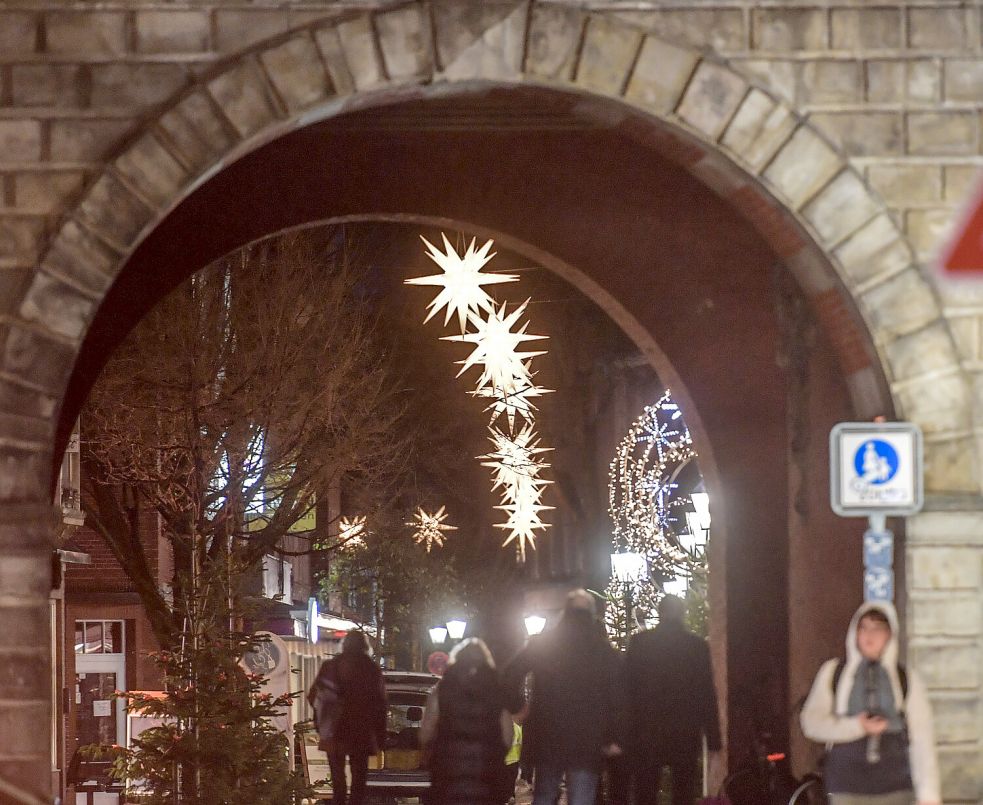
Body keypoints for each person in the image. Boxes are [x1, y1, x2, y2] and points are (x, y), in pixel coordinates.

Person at [800, 602, 940, 805]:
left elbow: (922, 739)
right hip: (846, 787)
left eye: (877, 628)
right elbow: (811, 723)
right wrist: (857, 727)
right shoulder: (833, 673)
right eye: (863, 627)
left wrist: (929, 794)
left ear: (890, 635)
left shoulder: (906, 679)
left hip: (895, 788)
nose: (869, 635)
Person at [503, 588, 622, 805]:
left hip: (548, 734)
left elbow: (510, 675)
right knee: (582, 798)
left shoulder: (543, 644)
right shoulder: (602, 651)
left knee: (545, 795)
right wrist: (614, 735)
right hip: (588, 738)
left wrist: (518, 707)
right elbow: (617, 695)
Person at [623, 594, 722, 805]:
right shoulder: (696, 647)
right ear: (682, 614)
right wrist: (713, 738)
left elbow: (627, 690)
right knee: (683, 790)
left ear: (660, 613)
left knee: (645, 790)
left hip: (647, 730)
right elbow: (706, 692)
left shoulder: (640, 643)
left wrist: (625, 731)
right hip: (685, 730)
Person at [420, 637, 513, 805]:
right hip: (487, 777)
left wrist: (432, 752)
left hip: (447, 775)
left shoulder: (441, 692)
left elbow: (425, 733)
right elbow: (507, 736)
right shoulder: (498, 693)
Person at [307, 630, 387, 805]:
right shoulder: (371, 670)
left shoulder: (330, 667)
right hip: (362, 731)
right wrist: (380, 736)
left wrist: (320, 723)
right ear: (364, 646)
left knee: (338, 779)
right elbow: (380, 705)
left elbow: (313, 696)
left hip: (334, 730)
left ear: (345, 645)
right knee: (359, 780)